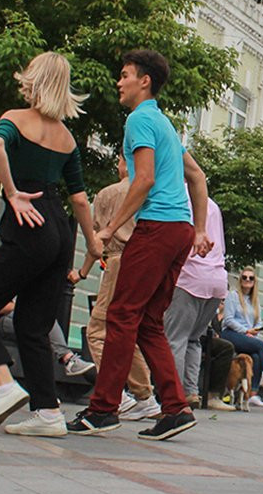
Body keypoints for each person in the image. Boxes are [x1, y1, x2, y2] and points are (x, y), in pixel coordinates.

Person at [66, 49, 211, 442]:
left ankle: (102, 409)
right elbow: (197, 176)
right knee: (147, 322)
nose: (119, 82)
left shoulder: (139, 120)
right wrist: (198, 230)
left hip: (157, 228)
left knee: (121, 314)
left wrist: (110, 228)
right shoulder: (164, 123)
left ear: (144, 81)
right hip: (179, 231)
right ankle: (175, 409)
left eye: (125, 75)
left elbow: (143, 179)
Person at [0, 52, 103, 436]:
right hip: (60, 231)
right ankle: (49, 412)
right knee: (33, 327)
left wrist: (12, 193)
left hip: (30, 225)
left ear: (34, 80)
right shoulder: (67, 138)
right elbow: (79, 199)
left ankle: (4, 385)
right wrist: (92, 243)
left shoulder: (15, 119)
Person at [73, 154, 159, 421]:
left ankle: (119, 396)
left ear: (124, 162)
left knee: (98, 332)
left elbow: (96, 240)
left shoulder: (109, 194)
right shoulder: (153, 192)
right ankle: (145, 396)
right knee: (127, 330)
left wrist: (82, 272)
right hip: (146, 265)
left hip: (119, 261)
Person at [165, 196, 229, 409]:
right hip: (217, 279)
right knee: (194, 339)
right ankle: (191, 391)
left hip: (190, 277)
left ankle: (173, 395)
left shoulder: (178, 197)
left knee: (176, 339)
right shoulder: (212, 205)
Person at [221, 268, 263, 406]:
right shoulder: (233, 296)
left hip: (248, 335)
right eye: (244, 277)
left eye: (251, 278)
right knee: (262, 346)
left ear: (254, 282)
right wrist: (246, 331)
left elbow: (259, 323)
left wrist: (255, 331)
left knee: (256, 356)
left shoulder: (255, 300)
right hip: (231, 333)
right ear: (240, 280)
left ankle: (253, 394)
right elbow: (229, 320)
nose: (247, 280)